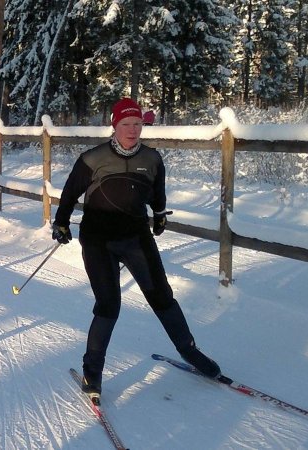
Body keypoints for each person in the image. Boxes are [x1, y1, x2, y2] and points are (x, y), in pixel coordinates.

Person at [52, 97, 220, 403]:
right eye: (126, 124)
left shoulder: (152, 159)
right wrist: (61, 223)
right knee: (109, 305)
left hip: (136, 238)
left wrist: (158, 215)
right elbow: (69, 194)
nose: (132, 130)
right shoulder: (92, 158)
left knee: (162, 296)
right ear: (115, 126)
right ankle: (93, 372)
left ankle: (191, 353)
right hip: (99, 240)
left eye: (137, 124)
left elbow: (157, 193)